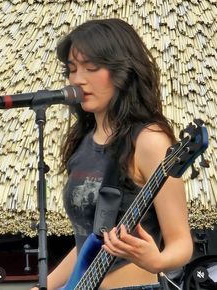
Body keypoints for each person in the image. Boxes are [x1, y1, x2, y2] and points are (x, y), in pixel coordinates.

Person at [31, 18, 193, 290]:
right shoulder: (81, 142)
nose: (78, 79)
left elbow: (181, 243)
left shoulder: (149, 141)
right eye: (71, 70)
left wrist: (156, 261)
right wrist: (44, 286)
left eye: (91, 67)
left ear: (122, 71)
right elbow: (86, 243)